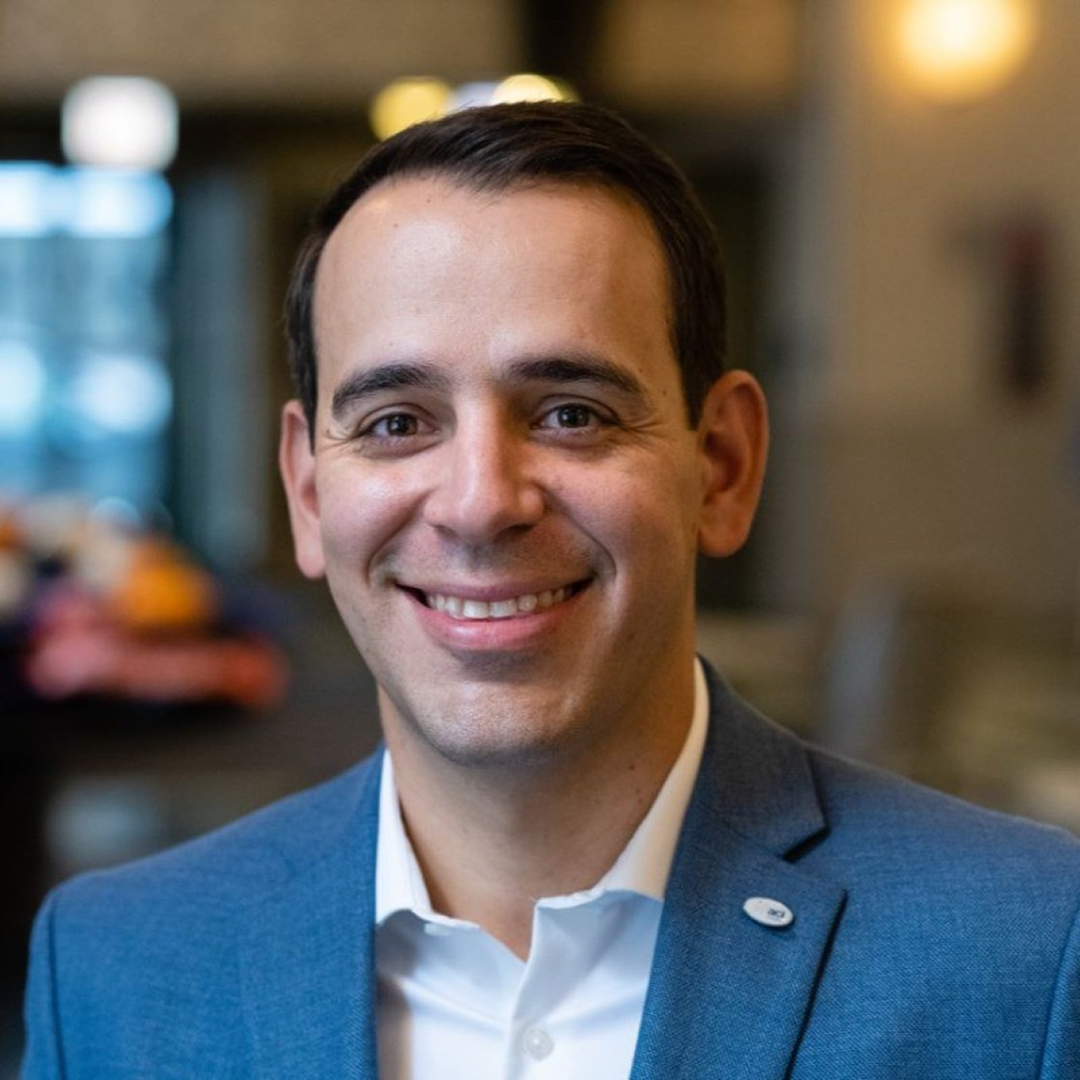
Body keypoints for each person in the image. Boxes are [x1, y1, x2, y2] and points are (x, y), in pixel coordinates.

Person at [21, 101, 1080, 1079]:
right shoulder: (114, 972)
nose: (481, 503)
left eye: (571, 412)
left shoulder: (1028, 954)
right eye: (397, 422)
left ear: (722, 466)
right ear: (307, 492)